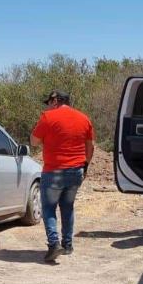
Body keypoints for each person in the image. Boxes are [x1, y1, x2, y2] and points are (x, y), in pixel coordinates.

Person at [30, 90, 95, 262]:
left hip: (54, 171)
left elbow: (33, 141)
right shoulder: (84, 118)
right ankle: (67, 244)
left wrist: (47, 138)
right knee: (67, 206)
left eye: (49, 102)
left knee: (49, 207)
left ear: (55, 100)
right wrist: (85, 165)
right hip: (76, 170)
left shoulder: (48, 117)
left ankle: (54, 244)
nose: (48, 106)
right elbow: (90, 146)